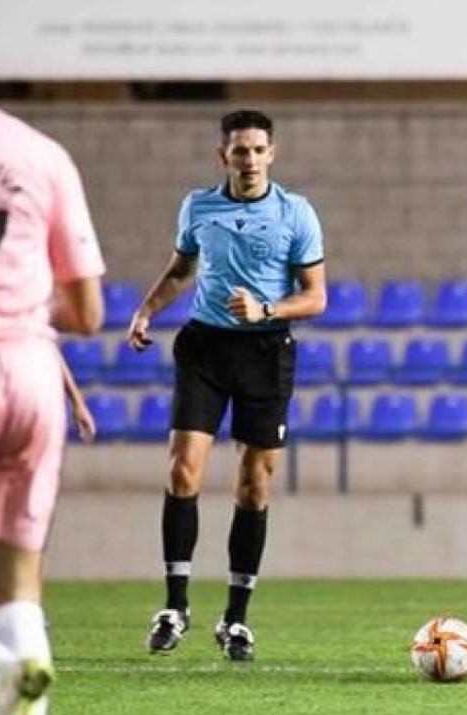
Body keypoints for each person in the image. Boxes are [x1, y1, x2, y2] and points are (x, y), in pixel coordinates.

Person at [0, 3, 107, 715]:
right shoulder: (41, 153)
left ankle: (1, 671)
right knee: (16, 584)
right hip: (31, 373)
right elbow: (86, 310)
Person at [127, 109, 326, 661]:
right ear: (224, 157)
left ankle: (236, 620)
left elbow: (317, 297)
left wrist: (266, 308)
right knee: (182, 467)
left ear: (272, 154)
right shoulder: (199, 206)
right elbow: (180, 269)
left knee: (253, 486)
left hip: (265, 350)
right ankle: (175, 605)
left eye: (259, 150)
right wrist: (146, 311)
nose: (249, 160)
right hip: (206, 347)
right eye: (240, 151)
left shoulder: (296, 214)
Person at [0, 355, 95, 620]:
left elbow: (46, 347)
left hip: (4, 413)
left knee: (11, 521)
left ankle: (18, 611)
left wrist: (77, 401)